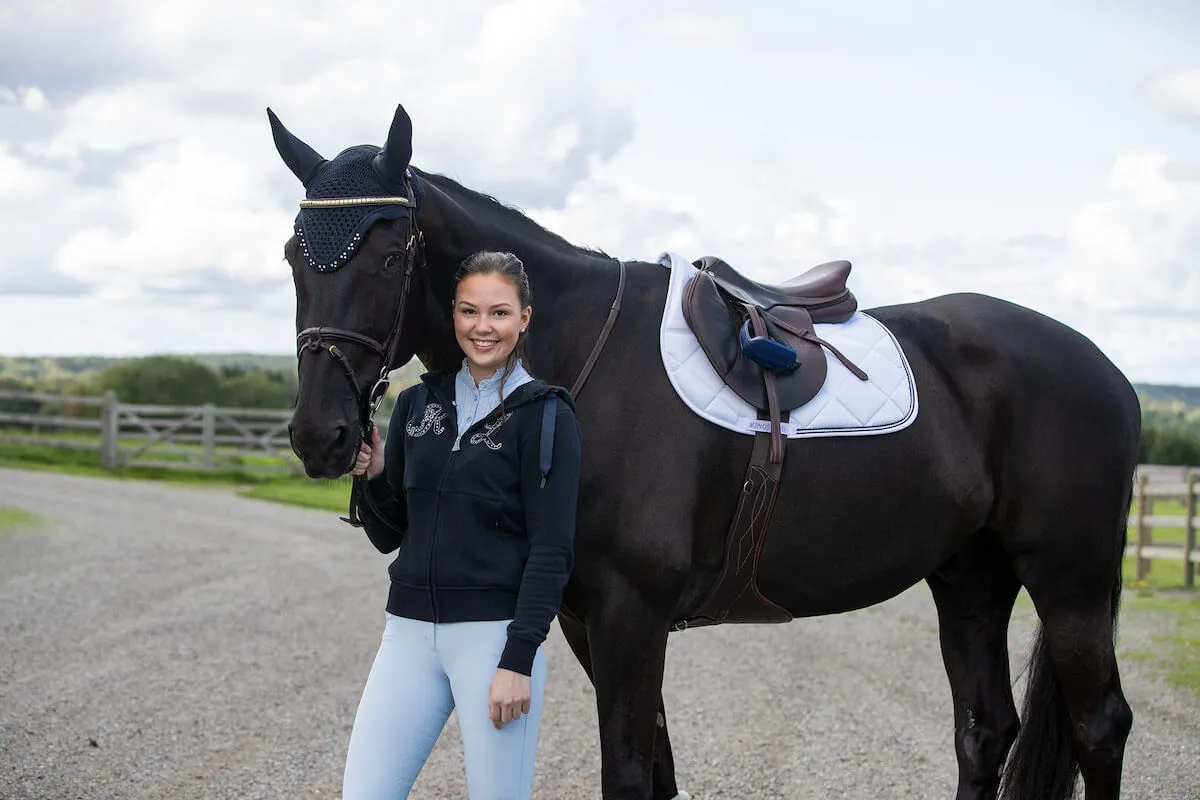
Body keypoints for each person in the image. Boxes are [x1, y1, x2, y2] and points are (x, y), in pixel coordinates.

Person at [341, 250, 582, 800]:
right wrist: (374, 475)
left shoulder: (546, 415)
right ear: (453, 314)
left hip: (492, 640)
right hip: (406, 636)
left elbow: (552, 551)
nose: (482, 327)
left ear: (524, 318)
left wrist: (518, 659)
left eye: (499, 313)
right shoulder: (415, 404)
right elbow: (390, 534)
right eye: (469, 311)